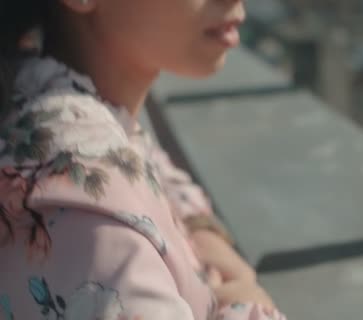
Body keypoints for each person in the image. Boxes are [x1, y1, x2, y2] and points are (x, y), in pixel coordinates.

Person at [0, 0, 286, 319]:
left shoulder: (33, 91)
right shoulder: (93, 212)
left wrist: (200, 229)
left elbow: (144, 158)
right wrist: (249, 308)